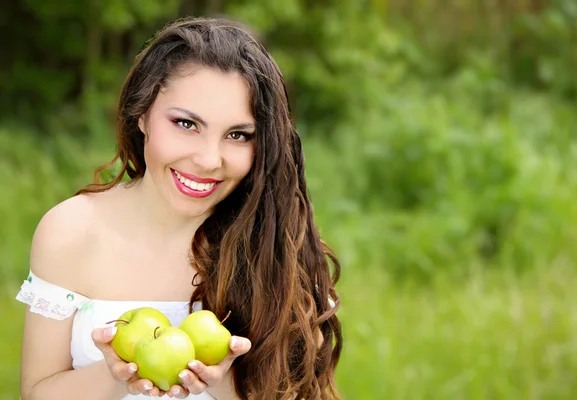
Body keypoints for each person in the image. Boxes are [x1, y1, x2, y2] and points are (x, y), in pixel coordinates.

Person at [16, 16, 343, 400]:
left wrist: (220, 380)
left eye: (237, 135)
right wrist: (117, 373)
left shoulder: (276, 243)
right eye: (187, 124)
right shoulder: (71, 231)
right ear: (142, 114)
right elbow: (37, 392)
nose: (208, 160)